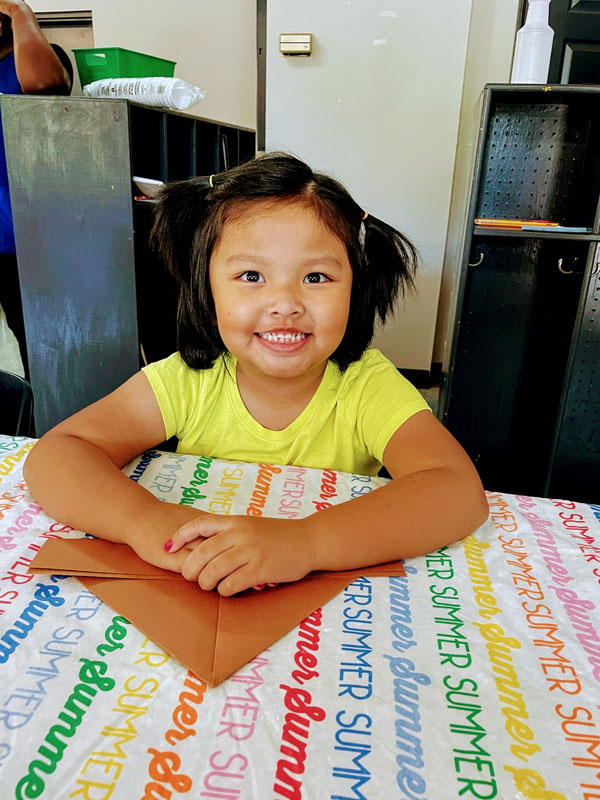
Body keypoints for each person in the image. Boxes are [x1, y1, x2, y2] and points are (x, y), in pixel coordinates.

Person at [23, 152, 489, 596]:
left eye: (316, 277)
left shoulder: (366, 385)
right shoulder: (188, 379)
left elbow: (456, 490)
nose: (285, 303)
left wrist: (307, 542)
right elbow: (59, 454)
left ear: (357, 292)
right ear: (207, 295)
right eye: (251, 276)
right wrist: (143, 521)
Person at [0, 1, 72, 376]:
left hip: (22, 240)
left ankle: (46, 425)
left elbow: (45, 84)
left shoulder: (37, 61)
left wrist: (18, 10)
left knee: (39, 345)